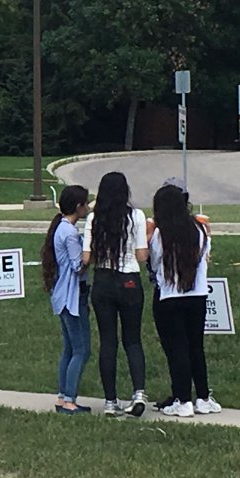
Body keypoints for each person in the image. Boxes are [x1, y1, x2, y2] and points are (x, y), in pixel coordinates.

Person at [149, 183, 221, 418]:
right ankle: (202, 397)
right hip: (197, 295)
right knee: (195, 347)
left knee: (176, 348)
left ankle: (182, 399)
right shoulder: (199, 230)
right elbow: (205, 258)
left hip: (169, 295)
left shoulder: (161, 235)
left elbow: (154, 261)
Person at [83, 171, 149, 418]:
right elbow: (142, 256)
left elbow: (86, 258)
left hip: (103, 279)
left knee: (108, 341)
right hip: (129, 278)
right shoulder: (137, 216)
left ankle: (110, 401)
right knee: (132, 339)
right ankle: (138, 393)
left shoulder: (93, 219)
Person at [41, 185, 92, 415]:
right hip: (73, 297)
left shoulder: (61, 227)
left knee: (69, 349)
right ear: (78, 207)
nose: (88, 207)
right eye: (86, 204)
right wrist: (92, 252)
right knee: (82, 350)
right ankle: (70, 399)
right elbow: (77, 266)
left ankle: (63, 397)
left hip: (61, 295)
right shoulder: (70, 233)